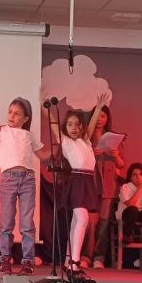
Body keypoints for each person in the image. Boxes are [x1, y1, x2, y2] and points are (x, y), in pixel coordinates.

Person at [0, 95, 53, 276]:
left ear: (26, 118)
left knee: (27, 224)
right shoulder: (2, 131)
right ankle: (5, 259)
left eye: (17, 113)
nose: (11, 116)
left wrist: (60, 148)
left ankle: (27, 261)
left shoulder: (29, 135)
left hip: (28, 179)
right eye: (10, 112)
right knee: (6, 223)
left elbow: (44, 156)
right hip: (8, 179)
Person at [45, 94, 106, 273]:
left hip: (87, 181)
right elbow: (53, 123)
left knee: (76, 222)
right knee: (82, 219)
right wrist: (44, 106)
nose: (73, 128)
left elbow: (91, 125)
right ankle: (74, 262)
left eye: (77, 124)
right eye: (70, 124)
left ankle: (68, 260)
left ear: (82, 127)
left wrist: (98, 108)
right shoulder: (65, 141)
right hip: (77, 181)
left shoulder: (85, 141)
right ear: (65, 127)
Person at [88, 105, 124, 269]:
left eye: (103, 116)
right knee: (89, 223)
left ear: (107, 118)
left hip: (109, 185)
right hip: (91, 182)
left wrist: (116, 156)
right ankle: (85, 256)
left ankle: (99, 257)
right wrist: (91, 154)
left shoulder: (113, 137)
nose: (100, 119)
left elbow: (122, 164)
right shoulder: (86, 137)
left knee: (103, 223)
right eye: (97, 116)